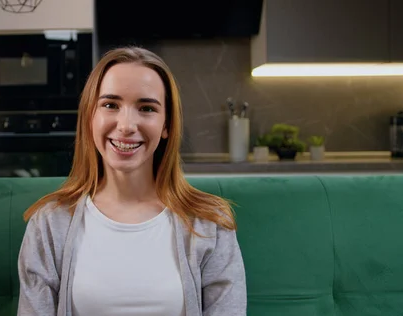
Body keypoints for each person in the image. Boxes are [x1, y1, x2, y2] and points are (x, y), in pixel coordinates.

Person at [17, 46, 246, 316]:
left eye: (146, 108)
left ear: (166, 126)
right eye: (110, 105)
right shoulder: (49, 224)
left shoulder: (210, 223)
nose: (126, 125)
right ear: (91, 117)